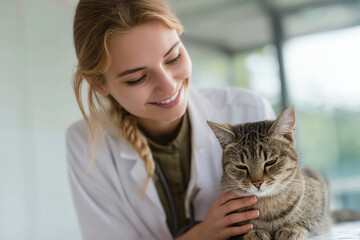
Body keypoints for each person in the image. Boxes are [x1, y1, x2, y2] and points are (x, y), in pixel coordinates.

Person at [66, 0, 275, 239]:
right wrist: (203, 234)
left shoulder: (247, 111)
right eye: (137, 78)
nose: (168, 86)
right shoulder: (86, 143)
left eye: (173, 57)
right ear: (98, 83)